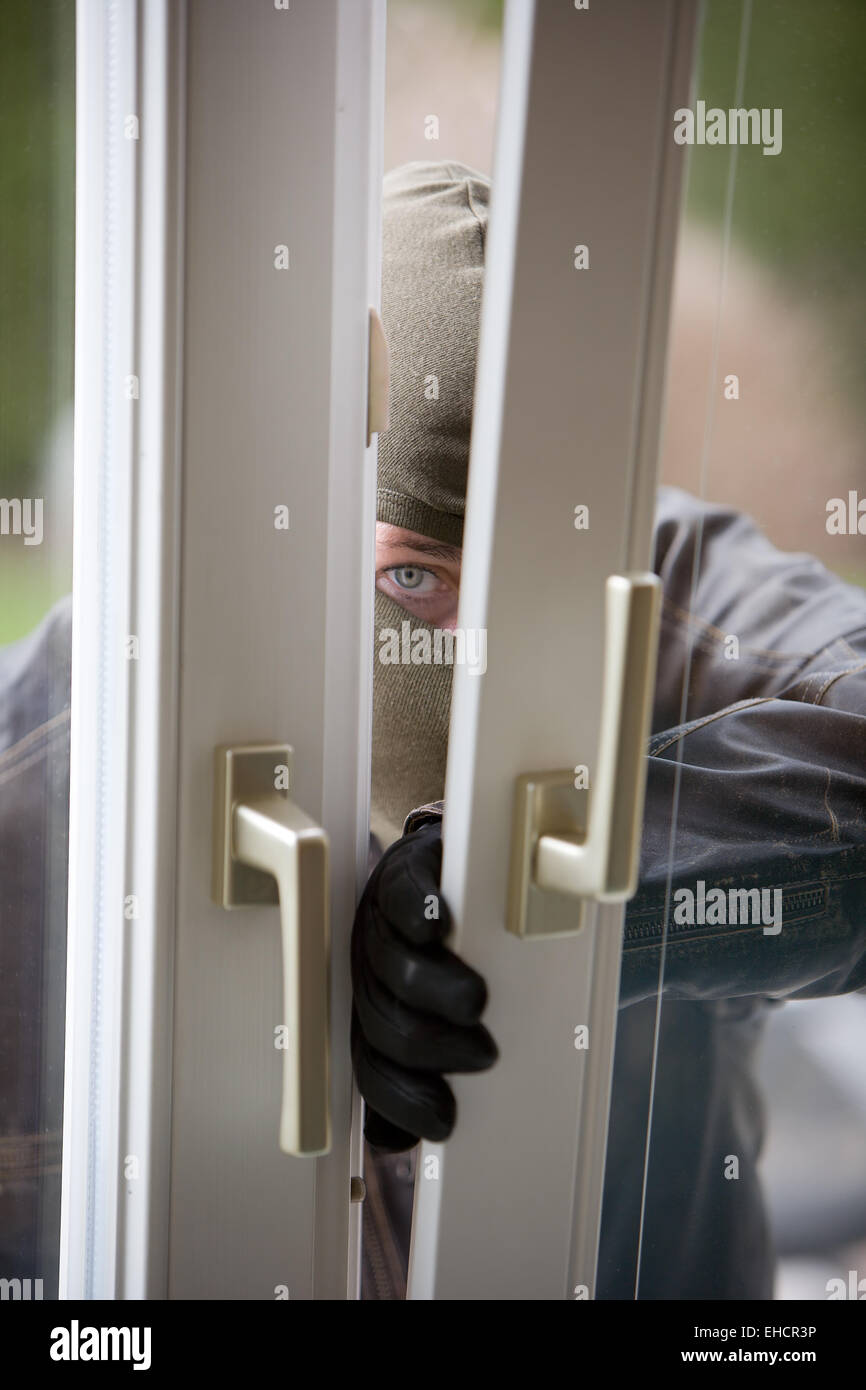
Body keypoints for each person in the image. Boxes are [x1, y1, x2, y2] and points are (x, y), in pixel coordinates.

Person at [352, 160, 866, 1299]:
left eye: (523, 575)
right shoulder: (138, 710)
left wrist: (546, 890)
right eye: (416, 583)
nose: (481, 646)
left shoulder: (668, 582)